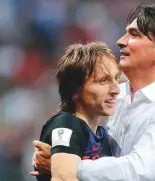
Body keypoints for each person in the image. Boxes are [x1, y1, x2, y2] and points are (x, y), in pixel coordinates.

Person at [31, 4, 155, 181]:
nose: (120, 41)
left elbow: (140, 170)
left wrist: (65, 165)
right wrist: (61, 152)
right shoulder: (115, 95)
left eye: (134, 35)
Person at [33, 41, 120, 181]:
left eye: (115, 79)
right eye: (103, 81)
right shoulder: (67, 124)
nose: (116, 90)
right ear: (75, 90)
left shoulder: (104, 136)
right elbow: (62, 178)